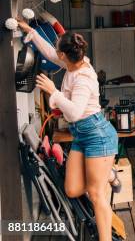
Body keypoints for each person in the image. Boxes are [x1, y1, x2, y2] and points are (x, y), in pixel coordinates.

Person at [18, 21, 119, 241]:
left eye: (58, 50)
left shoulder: (83, 77)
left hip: (97, 135)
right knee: (72, 189)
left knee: (96, 194)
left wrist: (54, 91)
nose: (55, 53)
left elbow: (74, 113)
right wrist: (31, 32)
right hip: (82, 135)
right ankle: (108, 173)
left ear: (64, 54)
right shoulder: (72, 64)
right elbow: (50, 53)